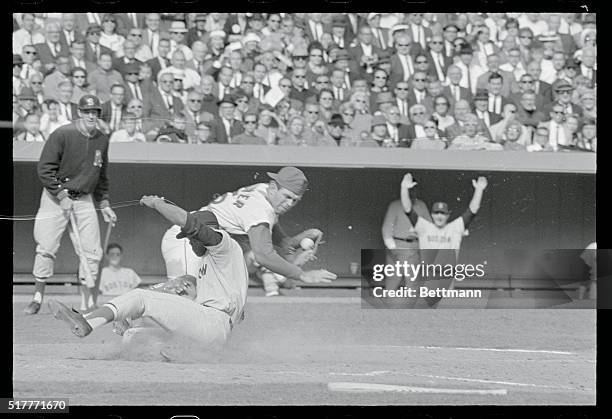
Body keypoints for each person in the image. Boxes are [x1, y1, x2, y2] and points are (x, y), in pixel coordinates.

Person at [48, 199, 248, 354]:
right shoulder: (218, 262)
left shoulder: (222, 244)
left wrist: (157, 203)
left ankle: (86, 322)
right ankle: (187, 352)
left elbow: (195, 227)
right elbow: (188, 290)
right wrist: (129, 312)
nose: (189, 242)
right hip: (213, 332)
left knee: (139, 297)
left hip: (212, 323)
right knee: (133, 337)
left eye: (190, 237)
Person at [160, 167, 337, 297]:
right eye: (287, 196)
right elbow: (264, 255)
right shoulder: (260, 209)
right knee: (184, 295)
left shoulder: (263, 190)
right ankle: (138, 308)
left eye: (295, 200)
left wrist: (296, 241)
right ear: (274, 188)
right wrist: (302, 275)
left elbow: (280, 241)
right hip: (185, 239)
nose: (290, 203)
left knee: (210, 301)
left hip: (203, 245)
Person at [24, 95, 117, 315]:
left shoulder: (102, 139)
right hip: (55, 197)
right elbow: (45, 169)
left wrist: (104, 204)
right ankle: (37, 297)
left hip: (83, 198)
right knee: (46, 247)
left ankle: (86, 304)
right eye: (87, 112)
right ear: (79, 113)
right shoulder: (62, 134)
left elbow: (101, 175)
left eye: (95, 112)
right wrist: (61, 194)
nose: (91, 116)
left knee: (92, 251)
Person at [400, 172, 488, 307]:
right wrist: (404, 188)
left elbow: (472, 210)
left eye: (443, 213)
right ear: (431, 214)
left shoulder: (455, 227)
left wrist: (479, 190)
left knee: (444, 314)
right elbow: (407, 209)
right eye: (436, 213)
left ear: (448, 215)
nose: (439, 216)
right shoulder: (424, 226)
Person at [381, 179, 432, 294]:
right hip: (399, 244)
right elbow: (386, 229)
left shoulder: (421, 205)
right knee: (394, 278)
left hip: (416, 245)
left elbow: (430, 227)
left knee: (413, 280)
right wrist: (393, 248)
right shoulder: (395, 205)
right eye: (409, 190)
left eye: (414, 189)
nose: (412, 193)